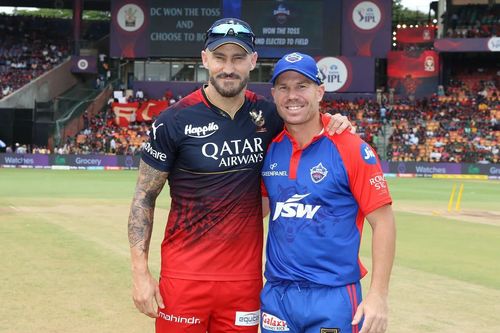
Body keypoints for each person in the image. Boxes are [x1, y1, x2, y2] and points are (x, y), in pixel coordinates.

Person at [128, 18, 352, 333]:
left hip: (243, 283)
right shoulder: (173, 120)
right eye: (220, 57)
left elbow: (308, 116)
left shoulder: (270, 116)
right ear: (205, 59)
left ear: (252, 61)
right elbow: (144, 196)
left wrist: (335, 121)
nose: (228, 67)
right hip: (183, 278)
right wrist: (140, 273)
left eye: (238, 58)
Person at [260, 52, 396, 333]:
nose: (292, 95)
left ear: (320, 92)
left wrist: (378, 295)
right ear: (273, 94)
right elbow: (256, 211)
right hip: (277, 297)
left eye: (302, 86)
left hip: (332, 297)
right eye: (283, 87)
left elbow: (383, 222)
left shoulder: (351, 148)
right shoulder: (269, 148)